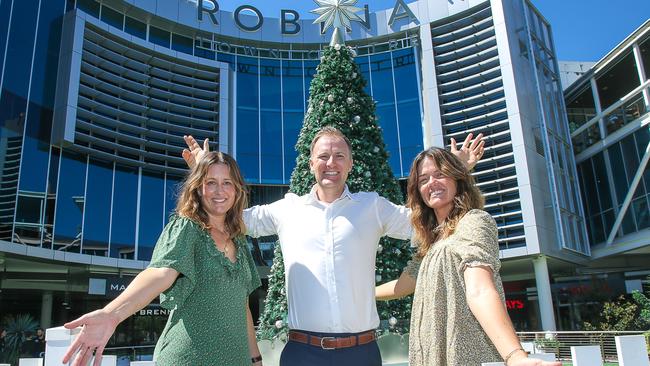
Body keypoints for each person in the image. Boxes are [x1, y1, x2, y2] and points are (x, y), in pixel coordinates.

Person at [182, 128, 484, 366]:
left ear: (350, 164)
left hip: (362, 354)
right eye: (323, 156)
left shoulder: (372, 207)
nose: (331, 163)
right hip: (302, 355)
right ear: (311, 163)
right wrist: (203, 176)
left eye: (340, 156)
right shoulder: (286, 210)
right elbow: (224, 218)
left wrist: (457, 174)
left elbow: (432, 222)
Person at [62, 152, 263, 366]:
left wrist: (255, 358)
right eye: (210, 182)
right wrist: (112, 314)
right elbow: (160, 273)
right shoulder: (187, 227)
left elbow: (242, 307)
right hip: (189, 359)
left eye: (227, 183)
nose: (219, 191)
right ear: (198, 188)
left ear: (237, 189)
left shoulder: (240, 240)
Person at [375, 147, 561, 366]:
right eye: (424, 180)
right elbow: (403, 285)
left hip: (464, 355)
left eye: (440, 174)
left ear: (458, 179)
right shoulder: (431, 241)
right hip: (431, 355)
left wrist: (515, 356)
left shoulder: (473, 222)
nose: (431, 183)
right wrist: (363, 295)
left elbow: (480, 289)